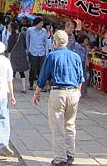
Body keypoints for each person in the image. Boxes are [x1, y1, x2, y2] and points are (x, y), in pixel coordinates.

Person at [33, 30, 85, 166]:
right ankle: (70, 154)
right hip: (73, 92)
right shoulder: (76, 56)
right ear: (67, 42)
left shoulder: (52, 56)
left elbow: (43, 77)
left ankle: (60, 158)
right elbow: (81, 77)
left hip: (58, 92)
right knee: (70, 125)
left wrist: (37, 92)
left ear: (55, 42)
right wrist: (78, 92)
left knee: (57, 127)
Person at [7, 21, 29, 94]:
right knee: (21, 72)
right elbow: (25, 45)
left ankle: (11, 88)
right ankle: (24, 88)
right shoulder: (21, 35)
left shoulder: (11, 36)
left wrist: (7, 54)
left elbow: (9, 48)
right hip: (21, 54)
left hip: (14, 55)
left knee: (13, 72)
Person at [25, 17, 47, 90]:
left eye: (42, 23)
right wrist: (28, 50)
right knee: (33, 69)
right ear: (36, 23)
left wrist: (46, 52)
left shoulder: (44, 31)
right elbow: (27, 40)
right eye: (40, 23)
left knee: (41, 69)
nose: (42, 24)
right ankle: (31, 84)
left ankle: (40, 86)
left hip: (42, 52)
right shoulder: (30, 30)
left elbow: (46, 42)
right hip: (33, 51)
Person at [74, 34, 90, 98]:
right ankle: (78, 92)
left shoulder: (86, 48)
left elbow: (86, 56)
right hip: (78, 63)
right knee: (79, 78)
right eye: (86, 40)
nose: (87, 42)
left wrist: (87, 63)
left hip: (83, 63)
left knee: (84, 78)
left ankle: (83, 92)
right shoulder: (77, 47)